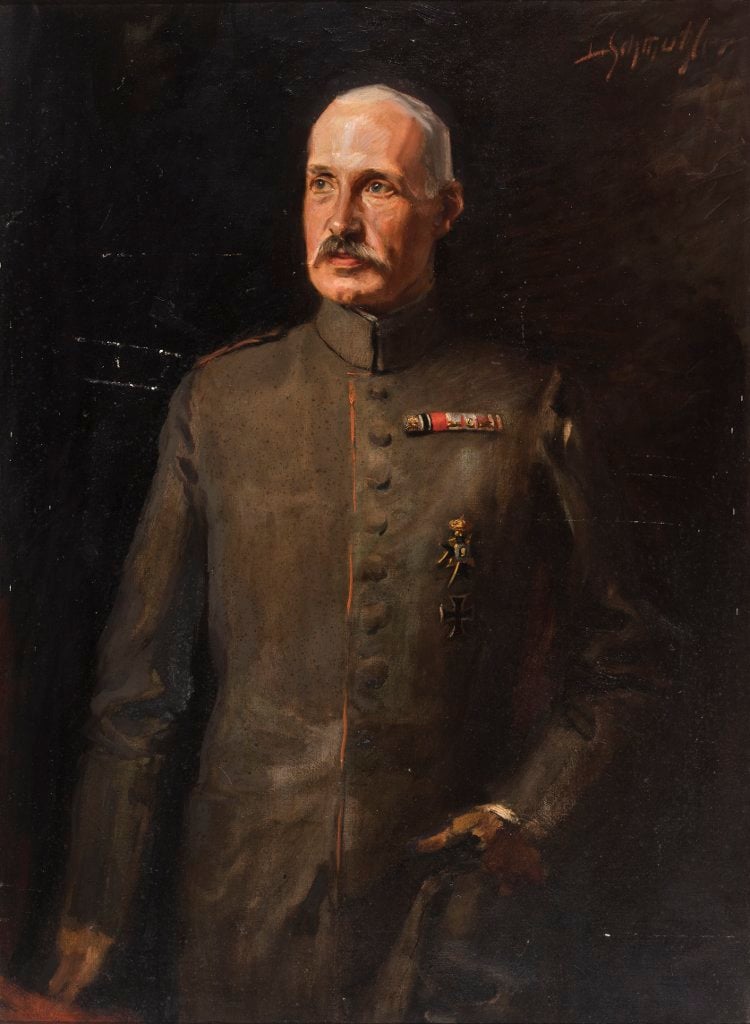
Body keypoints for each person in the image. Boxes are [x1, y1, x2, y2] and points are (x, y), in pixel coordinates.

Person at [49, 84, 671, 1022]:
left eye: (377, 187)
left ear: (446, 209)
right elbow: (139, 691)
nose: (340, 221)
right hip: (240, 923)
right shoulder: (221, 402)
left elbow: (628, 654)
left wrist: (524, 813)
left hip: (451, 928)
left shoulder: (527, 404)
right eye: (321, 184)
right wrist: (95, 909)